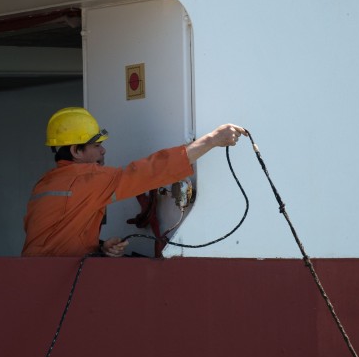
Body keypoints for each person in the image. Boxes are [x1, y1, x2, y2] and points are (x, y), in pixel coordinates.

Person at [22, 107, 246, 257]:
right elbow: (148, 172)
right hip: (55, 279)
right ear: (75, 151)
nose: (103, 150)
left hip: (34, 274)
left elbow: (55, 237)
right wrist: (212, 140)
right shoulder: (87, 178)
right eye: (96, 145)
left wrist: (99, 246)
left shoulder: (45, 183)